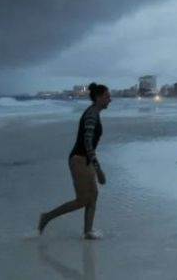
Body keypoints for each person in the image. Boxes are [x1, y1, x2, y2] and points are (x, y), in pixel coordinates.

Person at [38, 82, 110, 239]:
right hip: (78, 160)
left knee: (93, 195)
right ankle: (47, 217)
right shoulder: (91, 114)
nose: (109, 100)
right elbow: (88, 143)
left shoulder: (94, 113)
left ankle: (88, 231)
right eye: (107, 96)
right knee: (82, 200)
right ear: (98, 97)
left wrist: (93, 165)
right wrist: (98, 170)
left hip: (86, 160)